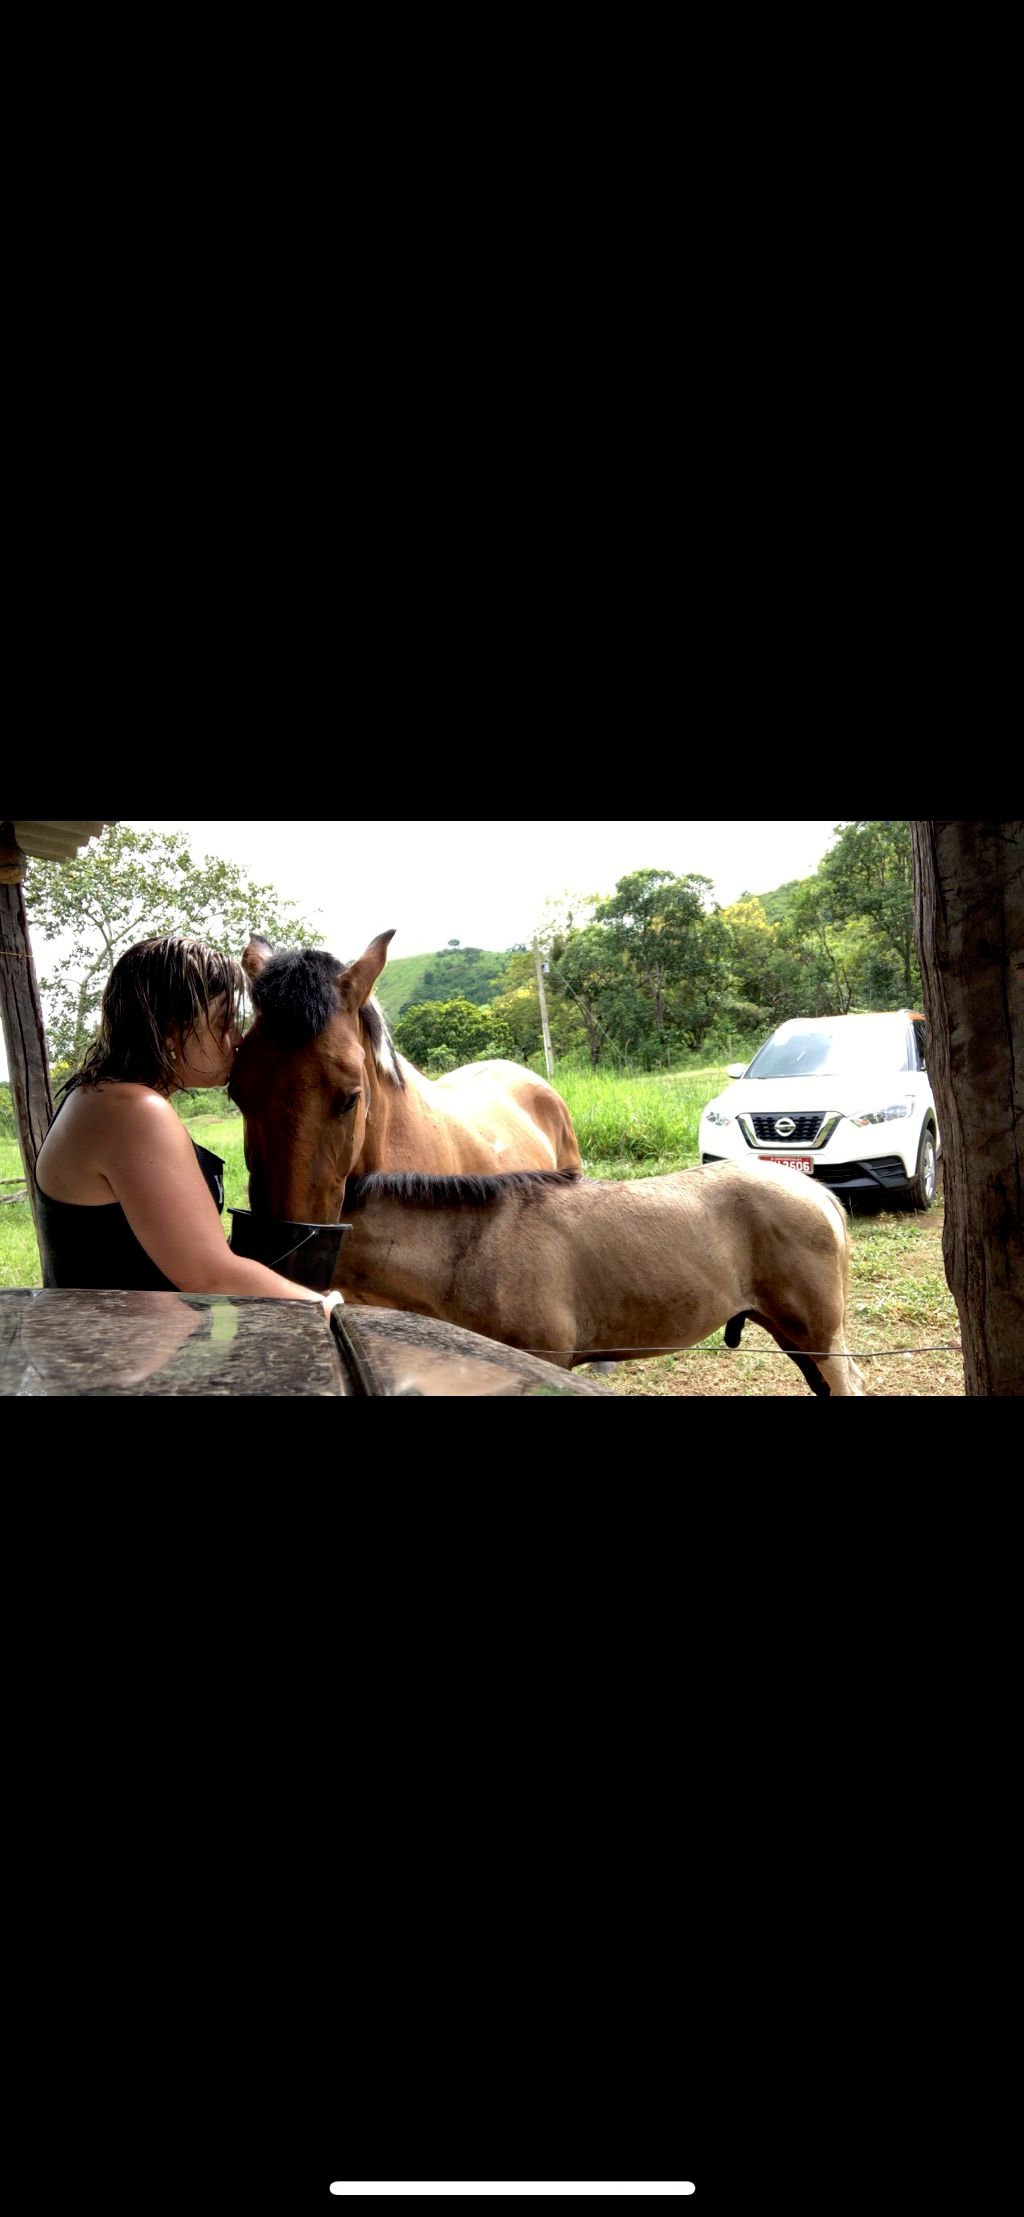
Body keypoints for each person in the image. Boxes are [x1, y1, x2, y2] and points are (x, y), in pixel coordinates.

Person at [32, 934, 343, 1318]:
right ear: (172, 1032)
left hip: (110, 1352)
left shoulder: (102, 1099)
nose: (238, 1040)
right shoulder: (134, 1111)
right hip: (121, 1368)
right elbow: (209, 1274)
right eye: (224, 1023)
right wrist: (322, 1306)